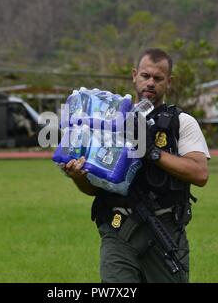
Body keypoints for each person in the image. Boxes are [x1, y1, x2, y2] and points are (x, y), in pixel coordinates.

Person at [60, 48, 210, 283]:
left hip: (165, 229)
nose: (150, 83)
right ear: (134, 75)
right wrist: (78, 176)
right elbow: (95, 188)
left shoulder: (181, 122)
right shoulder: (109, 120)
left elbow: (200, 174)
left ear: (169, 82)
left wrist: (152, 153)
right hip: (118, 228)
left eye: (158, 78)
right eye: (145, 76)